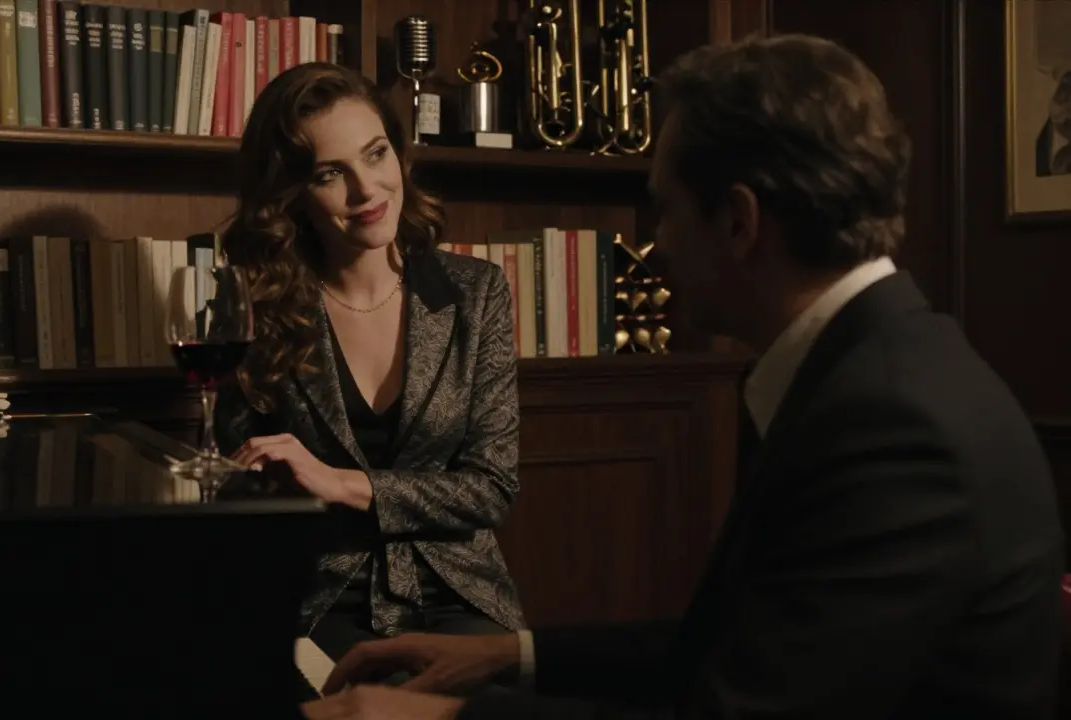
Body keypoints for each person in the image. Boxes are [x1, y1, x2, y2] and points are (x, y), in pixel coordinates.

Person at [302, 33, 1065, 719]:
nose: (656, 248)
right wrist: (509, 656)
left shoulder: (894, 428)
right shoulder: (866, 370)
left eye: (664, 212)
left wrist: (441, 719)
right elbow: (738, 642)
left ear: (738, 222)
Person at [214, 62, 525, 668]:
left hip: (460, 596)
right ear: (293, 195)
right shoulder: (257, 309)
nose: (366, 191)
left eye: (376, 154)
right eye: (331, 173)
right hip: (319, 601)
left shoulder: (476, 292)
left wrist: (342, 484)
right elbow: (238, 489)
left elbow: (491, 489)